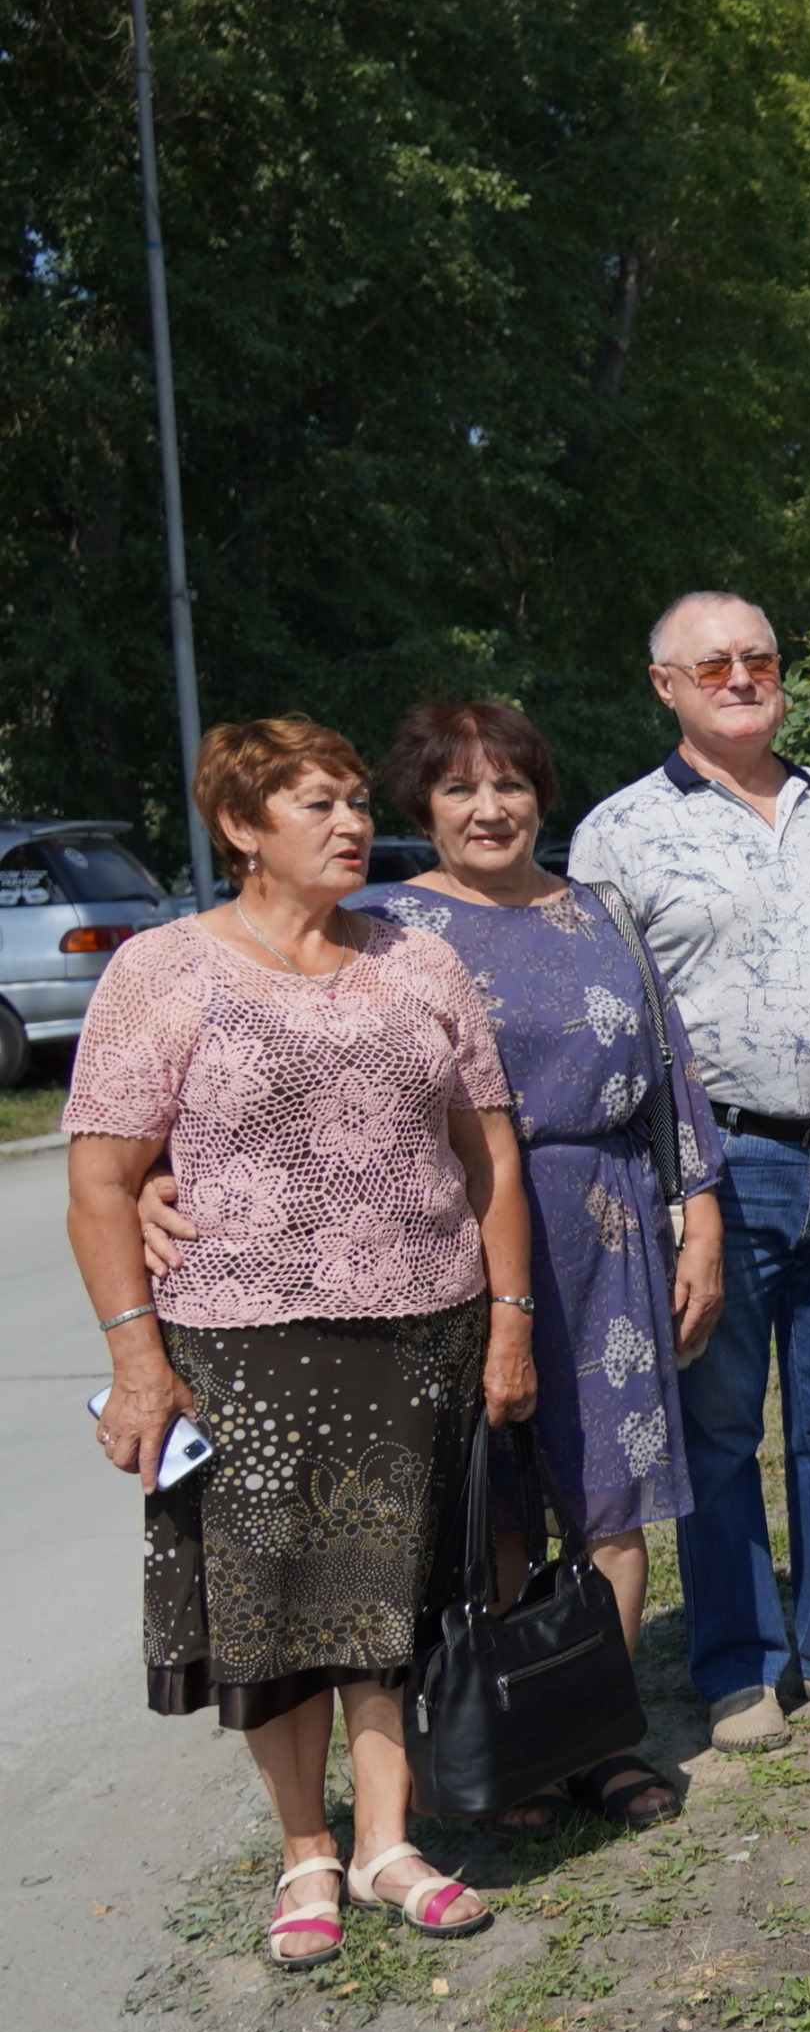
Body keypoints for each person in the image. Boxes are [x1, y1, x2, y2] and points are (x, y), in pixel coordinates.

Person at [65, 717, 532, 1964]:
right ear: (239, 828)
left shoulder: (418, 962)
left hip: (420, 1323)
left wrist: (508, 1318)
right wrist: (135, 1358)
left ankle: (385, 1843)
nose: (347, 825)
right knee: (274, 1605)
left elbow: (491, 1157)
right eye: (314, 805)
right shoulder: (164, 970)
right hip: (244, 1338)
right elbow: (104, 1181)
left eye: (349, 802)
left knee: (392, 1591)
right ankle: (305, 1853)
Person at [568, 590, 810, 1751]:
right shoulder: (617, 833)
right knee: (720, 1428)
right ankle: (738, 1665)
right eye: (713, 663)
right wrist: (678, 1192)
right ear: (664, 685)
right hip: (718, 1165)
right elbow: (612, 1025)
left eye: (760, 659)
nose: (741, 678)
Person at [355, 701, 729, 1830]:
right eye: (461, 788)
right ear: (423, 805)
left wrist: (698, 1213)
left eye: (510, 784)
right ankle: (511, 1741)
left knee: (608, 1502)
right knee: (499, 1507)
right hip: (456, 1240)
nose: (490, 808)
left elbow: (670, 1075)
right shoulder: (383, 929)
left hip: (609, 1231)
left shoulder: (598, 912)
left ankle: (600, 1742)